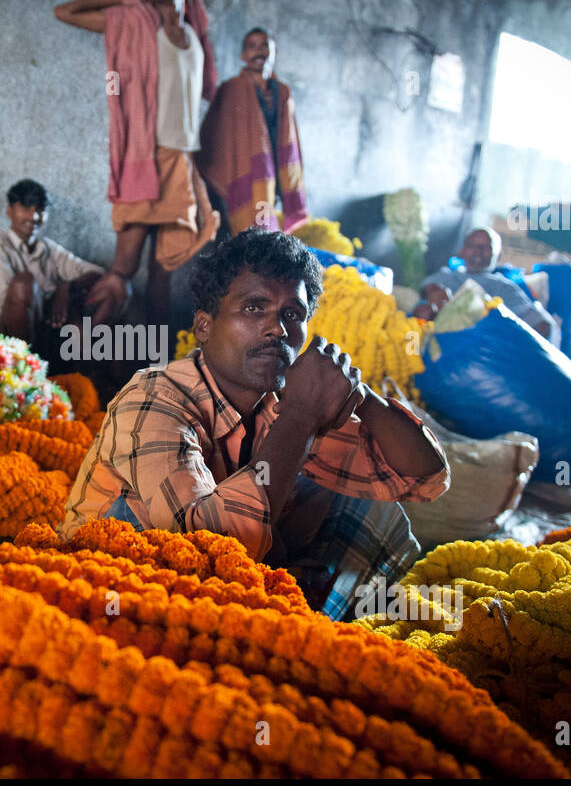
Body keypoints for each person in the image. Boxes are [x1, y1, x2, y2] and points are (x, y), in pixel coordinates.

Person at [61, 228, 450, 617]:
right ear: (204, 327)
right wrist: (300, 417)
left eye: (292, 315)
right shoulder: (154, 398)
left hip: (213, 589)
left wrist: (359, 395)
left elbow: (425, 476)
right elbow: (203, 551)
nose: (277, 329)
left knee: (364, 508)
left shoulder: (278, 403)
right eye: (253, 308)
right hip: (108, 594)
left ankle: (308, 623)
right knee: (259, 495)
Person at [53, 0, 221, 328]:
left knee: (163, 272)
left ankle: (157, 363)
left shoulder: (195, 36)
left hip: (182, 159)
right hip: (147, 156)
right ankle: (91, 354)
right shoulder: (133, 22)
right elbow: (64, 12)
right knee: (122, 272)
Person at [0, 179, 127, 343]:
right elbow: (5, 301)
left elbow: (97, 272)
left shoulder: (48, 248)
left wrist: (65, 288)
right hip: (6, 335)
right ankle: (23, 364)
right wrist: (53, 298)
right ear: (9, 211)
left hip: (48, 331)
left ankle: (88, 352)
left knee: (115, 283)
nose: (33, 216)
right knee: (23, 284)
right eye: (25, 208)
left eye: (40, 209)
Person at [197, 27, 308, 234]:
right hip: (236, 181)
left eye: (265, 46)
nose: (259, 52)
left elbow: (291, 141)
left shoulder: (283, 92)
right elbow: (211, 135)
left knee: (262, 239)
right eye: (251, 46)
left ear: (274, 53)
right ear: (243, 55)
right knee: (237, 244)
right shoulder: (230, 90)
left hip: (270, 182)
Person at [421, 228, 557, 342]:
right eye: (471, 245)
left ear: (498, 255)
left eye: (486, 247)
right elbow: (425, 290)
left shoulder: (504, 287)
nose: (478, 251)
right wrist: (433, 293)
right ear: (461, 252)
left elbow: (541, 324)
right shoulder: (445, 277)